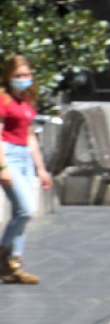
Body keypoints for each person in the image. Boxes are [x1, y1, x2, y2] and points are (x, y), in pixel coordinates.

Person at [0, 55, 53, 285]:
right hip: (8, 155)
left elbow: (30, 136)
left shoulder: (27, 101)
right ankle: (3, 254)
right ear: (8, 77)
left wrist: (40, 169)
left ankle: (14, 265)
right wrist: (2, 166)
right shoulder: (4, 100)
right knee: (27, 210)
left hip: (24, 157)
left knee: (20, 214)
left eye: (27, 75)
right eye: (18, 76)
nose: (24, 79)